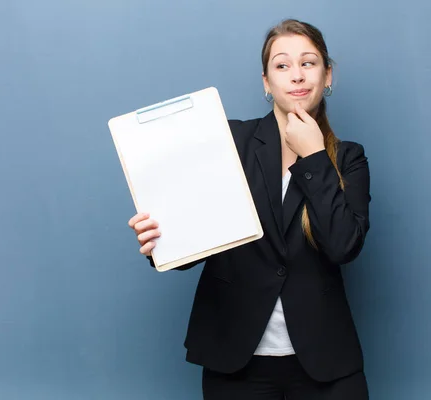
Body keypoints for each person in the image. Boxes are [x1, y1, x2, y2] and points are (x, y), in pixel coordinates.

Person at [128, 19, 371, 400]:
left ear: (327, 76)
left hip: (325, 360)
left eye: (308, 63)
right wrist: (158, 237)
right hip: (236, 360)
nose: (296, 75)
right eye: (282, 65)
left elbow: (343, 246)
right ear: (265, 81)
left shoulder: (348, 158)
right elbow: (188, 245)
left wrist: (314, 156)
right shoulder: (227, 141)